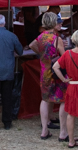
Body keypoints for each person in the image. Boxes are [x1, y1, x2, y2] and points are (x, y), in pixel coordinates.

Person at [29, 12, 68, 141]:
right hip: (56, 72)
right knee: (62, 99)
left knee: (45, 100)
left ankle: (44, 130)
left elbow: (31, 45)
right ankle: (63, 132)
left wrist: (42, 54)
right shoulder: (57, 39)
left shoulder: (41, 37)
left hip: (44, 71)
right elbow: (64, 58)